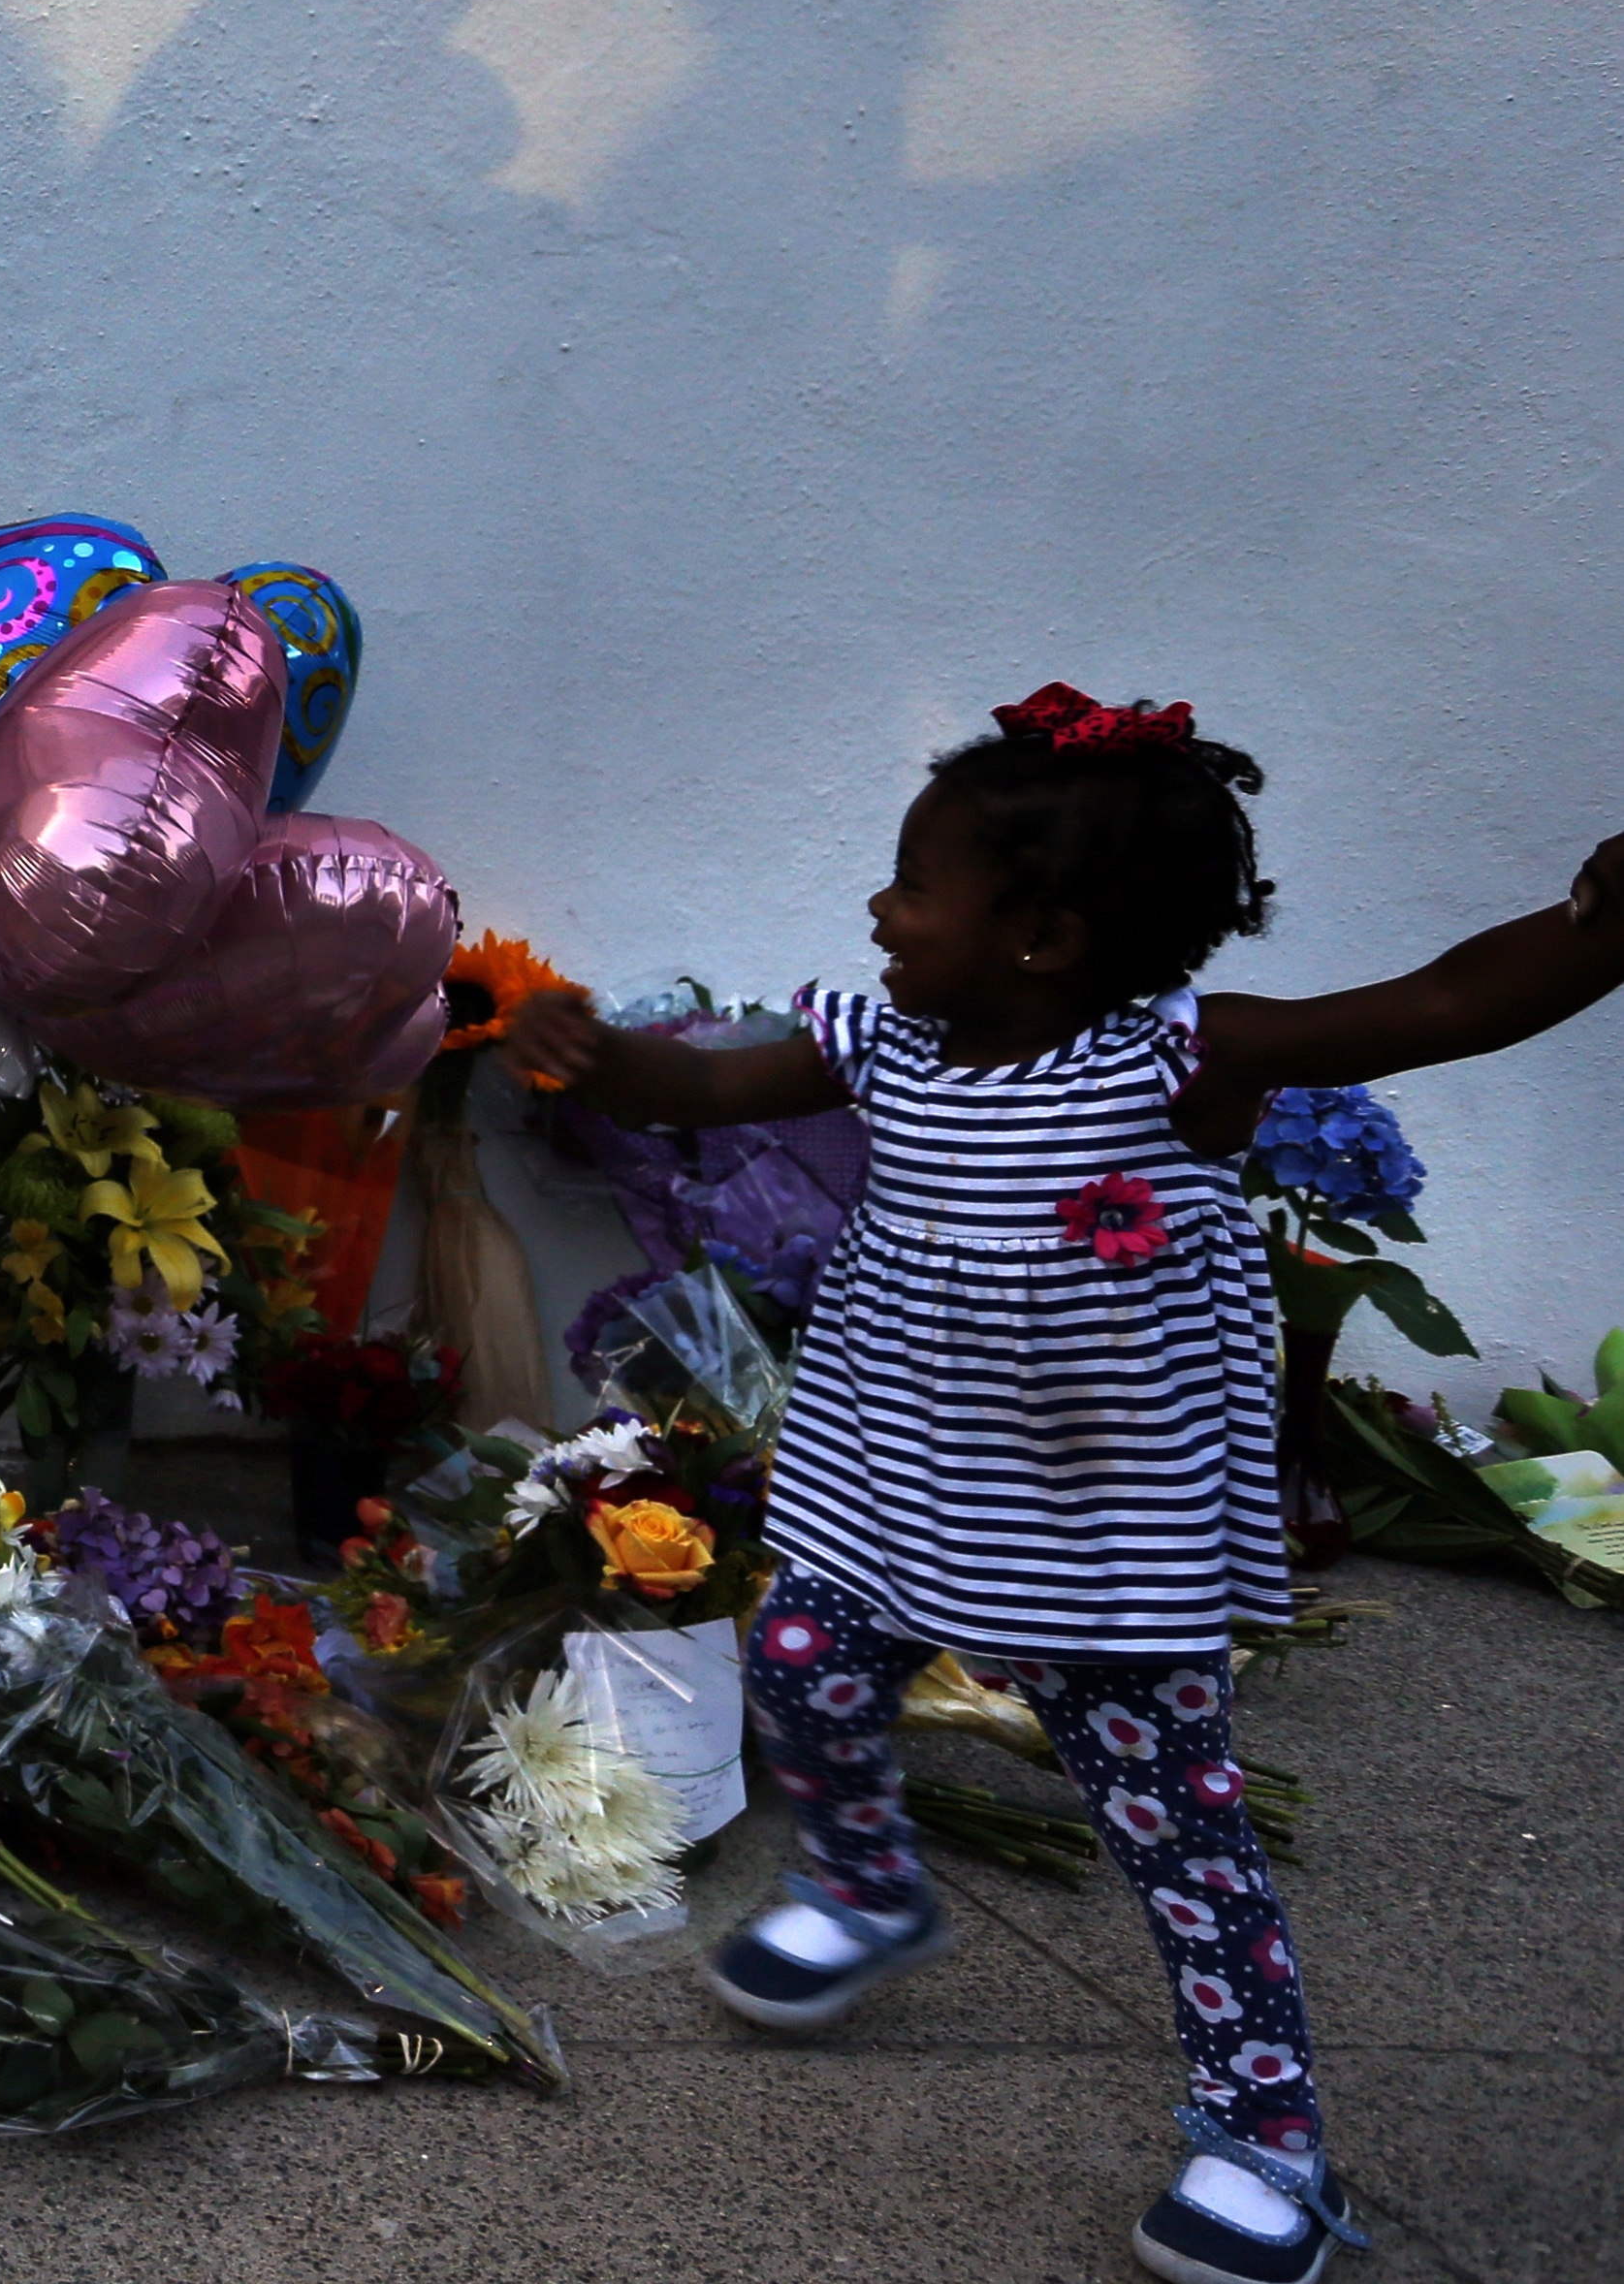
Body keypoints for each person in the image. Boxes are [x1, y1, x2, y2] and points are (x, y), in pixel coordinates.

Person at [510, 685, 1624, 2284]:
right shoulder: (872, 1036)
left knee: (1176, 1831)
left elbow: (1439, 1003)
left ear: (1040, 938)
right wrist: (595, 1050)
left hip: (1106, 1529)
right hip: (896, 1475)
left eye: (914, 883)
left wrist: (1597, 929)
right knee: (806, 1669)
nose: (880, 908)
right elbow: (695, 1087)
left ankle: (1266, 2147)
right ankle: (868, 1884)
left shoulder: (1180, 1060)